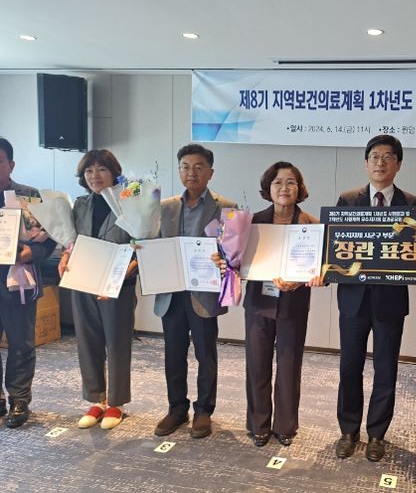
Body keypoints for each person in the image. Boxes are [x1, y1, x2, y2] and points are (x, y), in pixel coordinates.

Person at [334, 134, 416, 462]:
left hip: (390, 302)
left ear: (398, 164)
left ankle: (376, 434)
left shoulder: (413, 205)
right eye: (374, 156)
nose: (380, 163)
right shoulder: (347, 201)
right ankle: (348, 430)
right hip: (353, 301)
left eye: (388, 157)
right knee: (349, 367)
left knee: (386, 370)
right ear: (366, 163)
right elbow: (336, 246)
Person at [153, 143, 235, 439]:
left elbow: (233, 252)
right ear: (179, 171)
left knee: (205, 354)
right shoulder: (164, 207)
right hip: (172, 292)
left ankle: (204, 410)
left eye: (199, 167)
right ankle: (177, 409)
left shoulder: (226, 207)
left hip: (204, 293)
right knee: (173, 354)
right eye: (185, 167)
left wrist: (223, 260)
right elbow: (154, 244)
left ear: (210, 172)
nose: (192, 173)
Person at [57, 149, 137, 430]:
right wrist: (66, 256)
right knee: (87, 341)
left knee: (117, 343)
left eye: (101, 169)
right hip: (83, 280)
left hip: (118, 283)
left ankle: (116, 403)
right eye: (89, 171)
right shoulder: (80, 205)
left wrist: (127, 271)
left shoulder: (130, 203)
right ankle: (96, 399)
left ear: (114, 173)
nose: (95, 176)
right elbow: (72, 242)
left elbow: (142, 244)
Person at [242, 161, 319, 447]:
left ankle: (286, 425)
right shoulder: (253, 222)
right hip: (258, 302)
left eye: (290, 182)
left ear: (299, 188)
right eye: (277, 182)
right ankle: (258, 424)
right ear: (268, 188)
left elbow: (320, 267)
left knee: (289, 367)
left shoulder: (310, 224)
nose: (284, 188)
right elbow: (239, 260)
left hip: (293, 304)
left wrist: (303, 280)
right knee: (257, 365)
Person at [0, 137, 56, 428]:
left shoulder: (29, 197)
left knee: (21, 342)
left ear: (11, 165)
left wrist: (30, 253)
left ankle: (19, 400)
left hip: (18, 278)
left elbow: (50, 239)